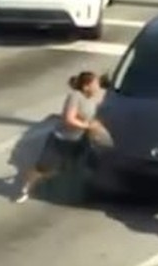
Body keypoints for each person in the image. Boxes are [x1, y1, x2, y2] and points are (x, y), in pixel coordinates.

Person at [16, 71, 103, 203]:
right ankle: (26, 188)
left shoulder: (93, 99)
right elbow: (69, 119)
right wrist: (87, 126)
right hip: (61, 139)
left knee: (86, 166)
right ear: (86, 86)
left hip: (79, 140)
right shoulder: (75, 97)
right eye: (95, 84)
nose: (98, 87)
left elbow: (93, 116)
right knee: (44, 167)